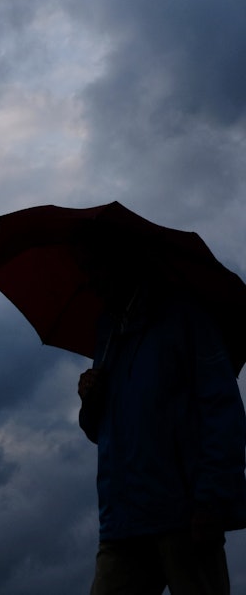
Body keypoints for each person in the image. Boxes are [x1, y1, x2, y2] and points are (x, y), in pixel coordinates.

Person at [77, 243, 246, 595]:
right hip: (122, 521)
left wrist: (211, 501)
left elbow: (222, 411)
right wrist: (90, 401)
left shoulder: (185, 317)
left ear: (125, 263)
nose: (90, 279)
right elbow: (100, 431)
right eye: (86, 268)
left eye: (97, 266)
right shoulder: (108, 332)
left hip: (186, 516)